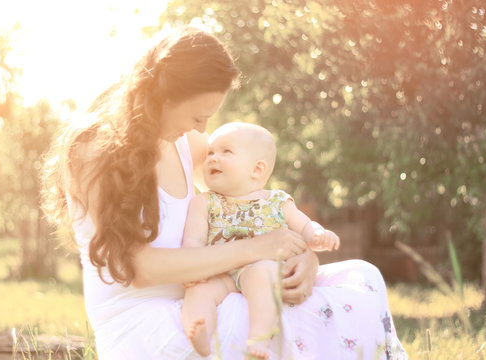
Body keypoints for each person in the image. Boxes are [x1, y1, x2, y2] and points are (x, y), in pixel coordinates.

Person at [41, 26, 408, 359]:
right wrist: (256, 249)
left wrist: (301, 258)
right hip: (144, 327)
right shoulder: (93, 149)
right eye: (198, 116)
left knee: (361, 279)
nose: (202, 128)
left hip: (205, 299)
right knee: (291, 321)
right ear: (164, 98)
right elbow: (138, 269)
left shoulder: (187, 140)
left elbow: (247, 193)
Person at [181, 122, 341, 359]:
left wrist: (316, 234)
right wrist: (193, 269)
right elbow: (192, 241)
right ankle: (200, 331)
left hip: (259, 267)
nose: (213, 158)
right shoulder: (204, 202)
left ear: (256, 169)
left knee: (262, 276)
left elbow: (304, 224)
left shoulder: (276, 201)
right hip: (220, 271)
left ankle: (259, 338)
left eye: (226, 151)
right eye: (211, 152)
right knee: (199, 291)